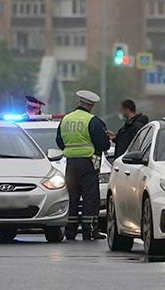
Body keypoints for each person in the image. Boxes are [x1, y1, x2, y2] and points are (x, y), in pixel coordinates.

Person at [56, 90, 110, 241]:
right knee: (90, 197)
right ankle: (89, 230)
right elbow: (104, 144)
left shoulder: (66, 119)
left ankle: (70, 231)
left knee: (72, 197)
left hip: (70, 164)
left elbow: (60, 142)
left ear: (78, 102)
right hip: (88, 163)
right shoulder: (93, 121)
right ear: (91, 106)